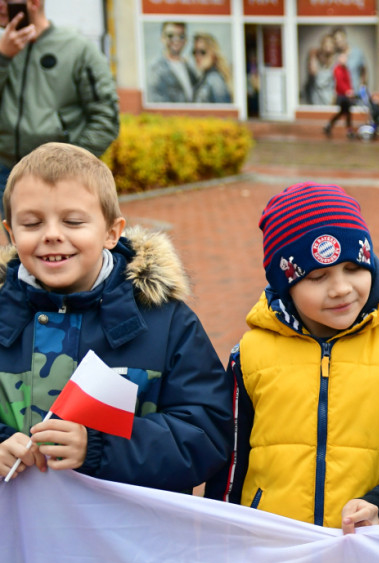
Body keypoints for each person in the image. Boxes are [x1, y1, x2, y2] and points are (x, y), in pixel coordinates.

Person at [204, 182, 379, 533]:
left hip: (367, 551)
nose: (341, 289)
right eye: (317, 276)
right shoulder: (250, 355)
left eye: (354, 267)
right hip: (272, 548)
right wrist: (219, 539)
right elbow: (228, 466)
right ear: (286, 284)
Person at [0, 142, 231, 491]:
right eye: (32, 223)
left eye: (73, 221)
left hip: (127, 541)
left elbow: (207, 434)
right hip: (22, 540)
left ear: (112, 231)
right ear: (11, 232)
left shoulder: (167, 323)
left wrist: (98, 447)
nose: (51, 234)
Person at [0, 0, 120, 215]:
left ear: (34, 3)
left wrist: (71, 165)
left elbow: (106, 116)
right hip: (6, 171)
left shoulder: (78, 48)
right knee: (21, 244)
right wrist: (3, 58)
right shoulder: (1, 49)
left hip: (60, 176)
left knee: (63, 243)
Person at [147, 21, 198, 104]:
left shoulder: (190, 68)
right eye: (170, 36)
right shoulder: (156, 69)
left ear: (186, 40)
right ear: (162, 38)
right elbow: (157, 102)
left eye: (181, 36)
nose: (176, 40)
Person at [191, 32, 232, 104]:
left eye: (202, 52)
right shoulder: (204, 78)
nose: (197, 56)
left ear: (213, 54)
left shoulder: (215, 79)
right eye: (195, 52)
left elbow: (223, 111)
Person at [323, 48, 353, 139]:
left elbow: (348, 81)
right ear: (339, 59)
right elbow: (339, 83)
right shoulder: (337, 69)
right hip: (342, 95)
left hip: (346, 95)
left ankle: (329, 125)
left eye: (346, 58)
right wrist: (347, 91)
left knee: (343, 112)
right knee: (346, 112)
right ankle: (349, 130)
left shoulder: (345, 69)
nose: (345, 60)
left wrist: (350, 90)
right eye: (343, 58)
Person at [305, 33, 336, 106]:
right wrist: (313, 56)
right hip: (316, 102)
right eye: (326, 42)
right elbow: (313, 72)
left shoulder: (337, 62)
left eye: (330, 43)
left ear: (334, 46)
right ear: (322, 45)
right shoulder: (315, 59)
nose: (328, 45)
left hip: (330, 102)